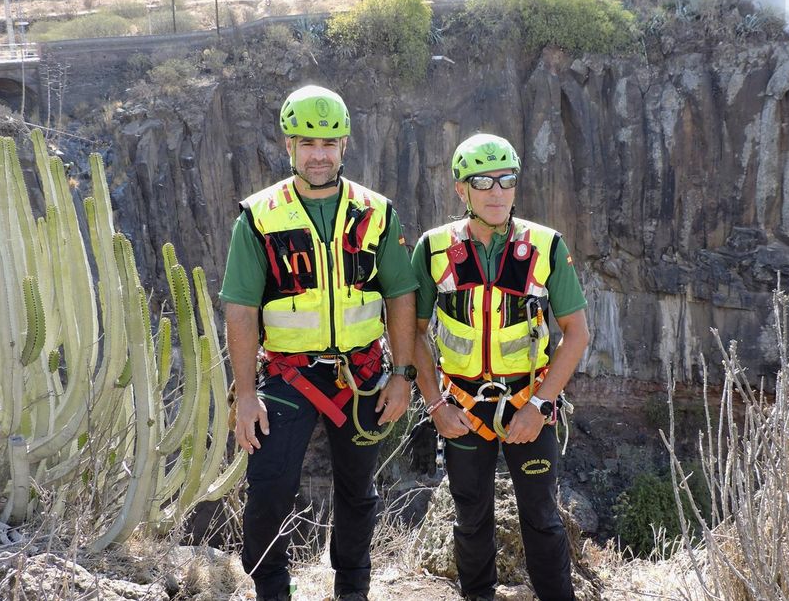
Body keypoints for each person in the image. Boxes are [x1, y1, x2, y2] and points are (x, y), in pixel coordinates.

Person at [222, 85, 418, 601]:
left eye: (329, 143)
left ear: (345, 144)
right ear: (288, 145)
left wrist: (403, 376)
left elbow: (401, 295)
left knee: (358, 493)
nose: (319, 154)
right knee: (269, 489)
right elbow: (240, 310)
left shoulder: (376, 212)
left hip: (363, 375)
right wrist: (245, 395)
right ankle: (271, 588)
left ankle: (352, 589)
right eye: (307, 142)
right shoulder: (260, 217)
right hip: (288, 376)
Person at [411, 133, 590, 601]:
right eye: (483, 181)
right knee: (470, 517)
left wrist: (539, 404)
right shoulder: (433, 248)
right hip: (462, 407)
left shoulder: (547, 247)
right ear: (461, 190)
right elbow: (412, 333)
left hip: (528, 404)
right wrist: (434, 405)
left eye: (506, 180)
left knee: (542, 517)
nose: (496, 192)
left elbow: (577, 333)